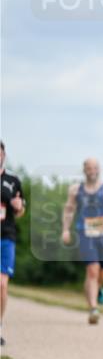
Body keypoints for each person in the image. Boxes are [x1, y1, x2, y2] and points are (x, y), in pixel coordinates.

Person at [61, 158, 103, 324]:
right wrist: (65, 230)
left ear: (99, 169)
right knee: (92, 269)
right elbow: (69, 210)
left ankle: (96, 289)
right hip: (84, 232)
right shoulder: (76, 189)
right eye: (88, 168)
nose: (91, 170)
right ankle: (93, 308)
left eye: (94, 168)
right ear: (84, 170)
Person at [1, 141, 26, 346]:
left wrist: (18, 207)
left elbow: (21, 209)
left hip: (6, 236)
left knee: (1, 284)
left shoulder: (13, 180)